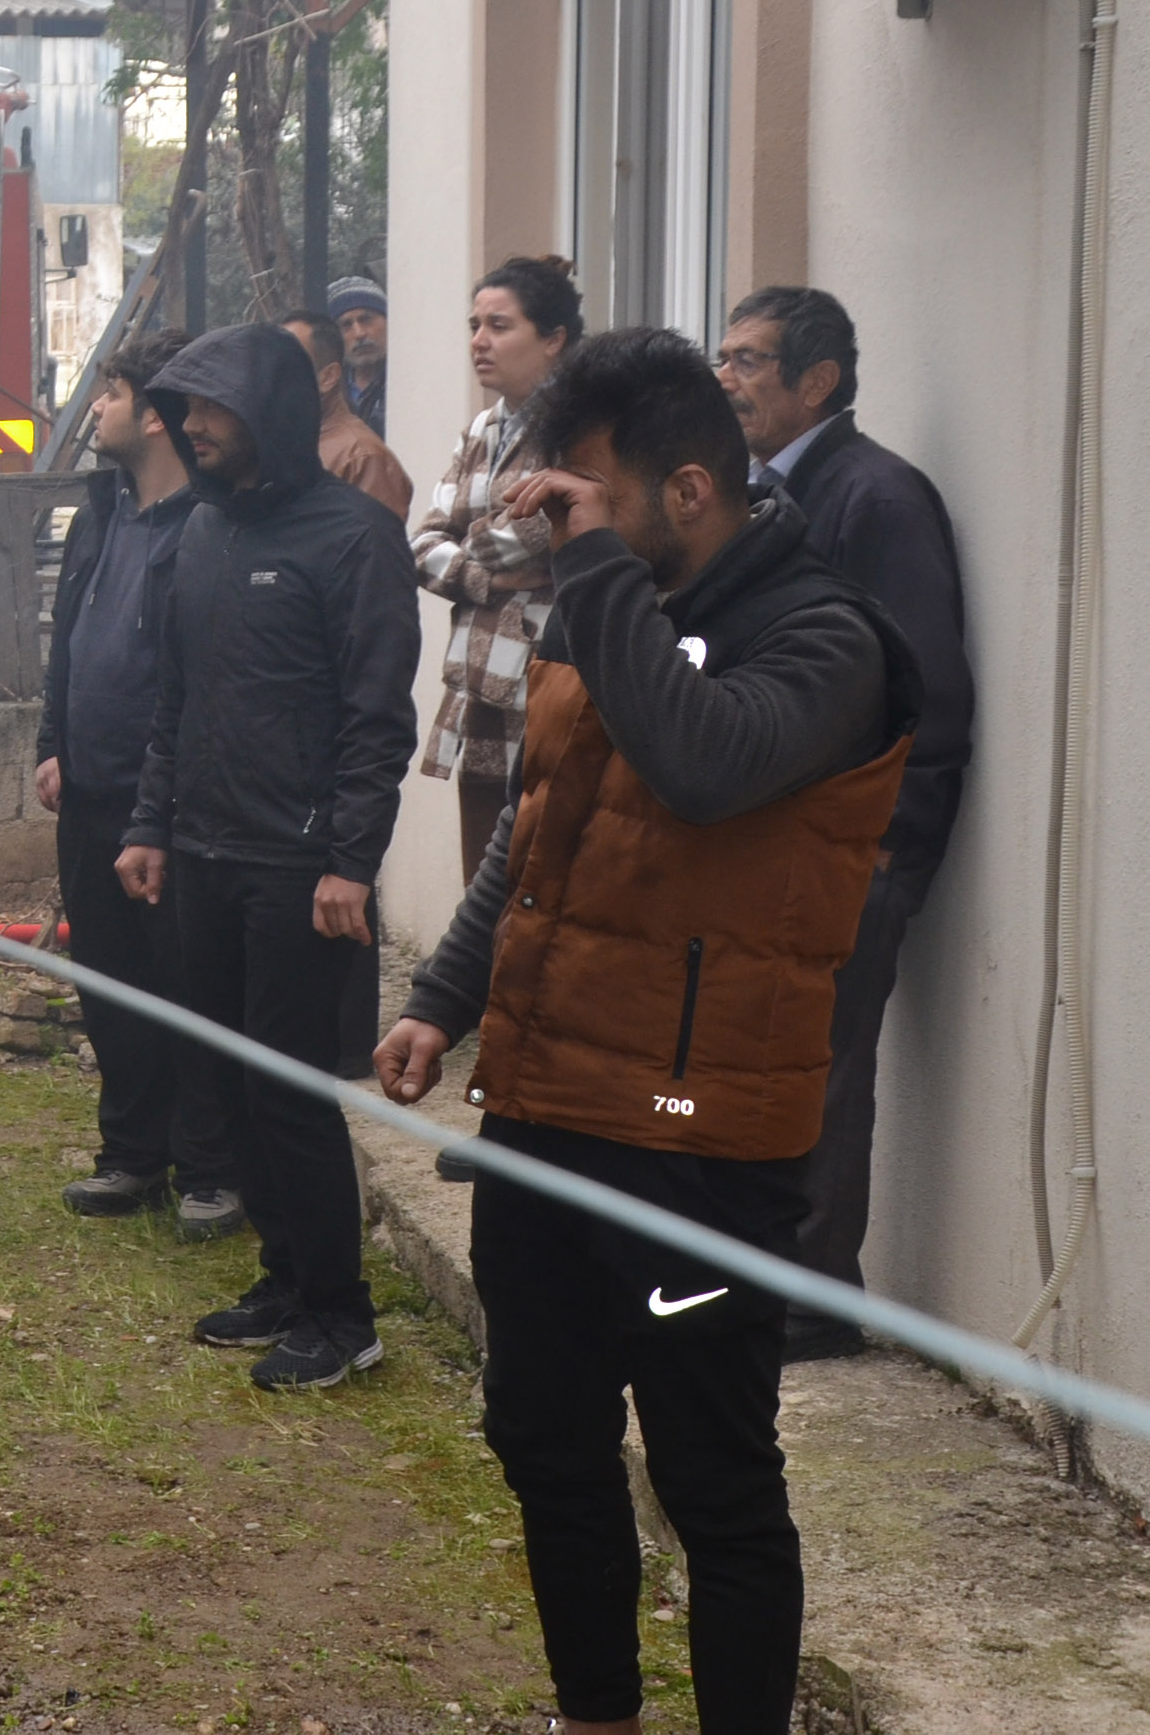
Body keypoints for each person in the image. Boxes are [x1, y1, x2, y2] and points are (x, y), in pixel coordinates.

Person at [378, 328, 919, 1735]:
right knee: (545, 1439)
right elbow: (545, 826)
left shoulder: (829, 637)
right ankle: (596, 1716)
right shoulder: (606, 596)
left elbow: (702, 761)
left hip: (701, 1143)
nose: (559, 525)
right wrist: (442, 998)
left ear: (690, 489)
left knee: (713, 1482)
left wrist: (595, 571)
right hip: (549, 1112)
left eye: (586, 498)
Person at [115, 322, 419, 1391]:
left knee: (290, 1093)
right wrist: (151, 824)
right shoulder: (200, 531)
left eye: (209, 408)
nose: (191, 427)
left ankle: (344, 1315)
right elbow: (175, 699)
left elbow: (379, 718)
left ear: (268, 415)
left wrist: (351, 860)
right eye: (183, 408)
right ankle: (286, 1280)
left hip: (299, 870)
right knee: (233, 1081)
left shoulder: (353, 537)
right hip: (200, 850)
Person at [717, 286, 975, 1362]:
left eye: (747, 362)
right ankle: (756, 1282)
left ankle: (814, 1302)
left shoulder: (876, 497)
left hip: (853, 843)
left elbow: (926, 697)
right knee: (767, 1061)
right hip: (772, 837)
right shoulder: (759, 495)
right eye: (721, 357)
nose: (725, 379)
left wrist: (870, 839)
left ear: (816, 382)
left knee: (824, 1062)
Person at [38, 327, 243, 1237]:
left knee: (186, 983)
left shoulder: (212, 525)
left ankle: (209, 1166)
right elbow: (68, 637)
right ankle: (131, 1154)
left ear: (157, 415)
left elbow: (204, 677)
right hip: (86, 794)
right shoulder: (99, 513)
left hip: (171, 809)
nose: (96, 408)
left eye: (111, 392)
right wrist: (51, 740)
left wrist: (160, 810)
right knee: (110, 981)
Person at [414, 256, 584, 877]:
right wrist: (487, 573)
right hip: (477, 681)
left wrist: (478, 541)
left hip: (546, 683)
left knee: (537, 878)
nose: (478, 341)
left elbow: (536, 533)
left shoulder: (581, 428)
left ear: (554, 339)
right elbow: (422, 545)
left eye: (500, 325)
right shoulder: (484, 428)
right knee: (481, 892)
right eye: (474, 324)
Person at [281, 304, 411, 521]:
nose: (273, 374)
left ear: (328, 377)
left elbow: (372, 549)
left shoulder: (362, 457)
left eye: (288, 363)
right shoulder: (281, 443)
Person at [327, 275, 390, 437]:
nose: (359, 333)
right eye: (346, 325)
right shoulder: (328, 390)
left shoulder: (408, 384)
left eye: (366, 320)